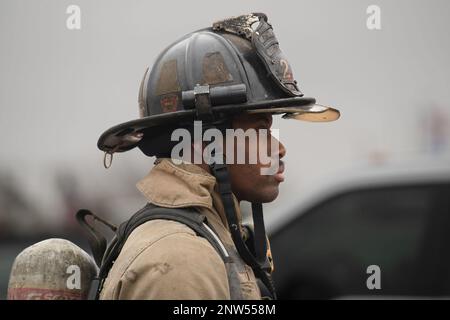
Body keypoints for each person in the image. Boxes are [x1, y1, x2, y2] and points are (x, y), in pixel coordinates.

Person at [96, 13, 340, 300]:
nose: (279, 149)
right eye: (260, 130)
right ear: (206, 141)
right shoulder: (180, 261)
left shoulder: (211, 237)